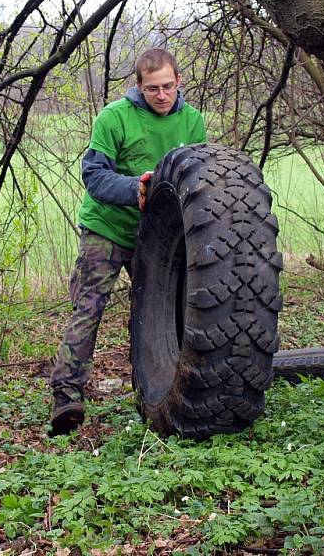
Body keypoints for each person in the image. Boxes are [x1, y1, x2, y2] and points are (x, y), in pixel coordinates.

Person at [50, 47, 207, 435]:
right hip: (106, 228)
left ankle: (158, 390)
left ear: (178, 82)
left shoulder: (192, 122)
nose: (161, 95)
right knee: (89, 308)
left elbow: (201, 179)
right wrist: (134, 188)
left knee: (166, 314)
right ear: (138, 86)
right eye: (153, 88)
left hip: (155, 239)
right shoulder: (114, 118)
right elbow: (95, 175)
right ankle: (66, 395)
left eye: (168, 86)